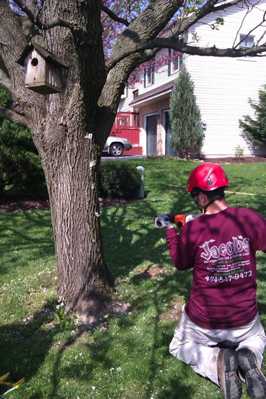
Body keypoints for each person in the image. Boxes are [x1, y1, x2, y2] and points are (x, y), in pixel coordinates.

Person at [165, 162, 266, 399]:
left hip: (204, 322)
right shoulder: (248, 219)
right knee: (258, 337)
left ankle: (217, 363)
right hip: (243, 320)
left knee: (177, 346)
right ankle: (249, 354)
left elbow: (180, 262)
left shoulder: (194, 229)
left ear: (201, 198)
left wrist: (171, 230)